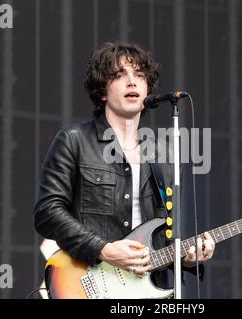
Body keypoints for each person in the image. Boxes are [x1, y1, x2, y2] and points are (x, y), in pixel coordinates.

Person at [34, 42, 215, 294]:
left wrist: (186, 259)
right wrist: (103, 249)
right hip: (89, 283)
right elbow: (47, 212)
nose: (132, 82)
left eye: (139, 76)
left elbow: (165, 234)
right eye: (120, 76)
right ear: (103, 91)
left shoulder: (166, 152)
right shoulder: (74, 139)